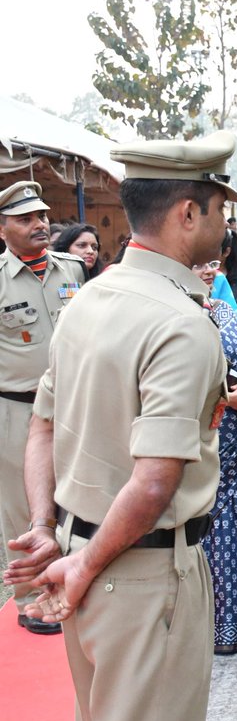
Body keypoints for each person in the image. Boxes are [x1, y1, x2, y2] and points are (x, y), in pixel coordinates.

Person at [9, 131, 237, 721]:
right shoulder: (182, 323)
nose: (225, 224)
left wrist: (46, 530)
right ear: (188, 213)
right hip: (143, 572)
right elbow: (154, 483)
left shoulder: (89, 298)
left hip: (87, 556)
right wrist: (80, 565)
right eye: (220, 208)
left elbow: (42, 428)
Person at [0, 180, 86, 635]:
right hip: (17, 408)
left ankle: (70, 577)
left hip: (73, 405)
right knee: (23, 505)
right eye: (25, 218)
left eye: (42, 216)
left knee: (74, 492)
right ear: (2, 229)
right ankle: (32, 597)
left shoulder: (71, 270)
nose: (39, 224)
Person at [193, 257, 237, 655]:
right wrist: (226, 396)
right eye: (198, 263)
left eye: (213, 263)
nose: (208, 271)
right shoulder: (177, 312)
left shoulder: (221, 308)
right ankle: (218, 626)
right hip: (206, 442)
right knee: (213, 536)